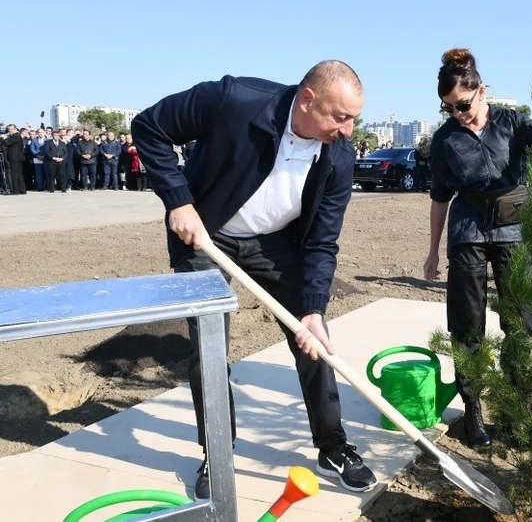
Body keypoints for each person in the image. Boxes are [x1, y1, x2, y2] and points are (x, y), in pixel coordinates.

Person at [131, 62, 377, 499]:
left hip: (277, 245)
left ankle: (333, 445)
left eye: (354, 117)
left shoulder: (338, 156)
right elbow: (149, 126)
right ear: (307, 100)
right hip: (207, 235)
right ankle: (218, 452)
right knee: (208, 350)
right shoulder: (234, 100)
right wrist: (178, 201)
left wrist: (314, 307)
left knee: (314, 339)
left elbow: (322, 241)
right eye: (340, 116)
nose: (348, 129)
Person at [423, 48, 532, 448]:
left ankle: (516, 407)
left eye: (463, 105)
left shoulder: (512, 123)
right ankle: (474, 413)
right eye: (449, 109)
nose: (458, 114)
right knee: (468, 325)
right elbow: (439, 198)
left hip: (514, 229)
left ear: (481, 91)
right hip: (467, 230)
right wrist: (433, 251)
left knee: (519, 319)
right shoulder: (446, 140)